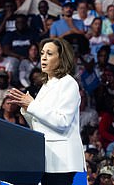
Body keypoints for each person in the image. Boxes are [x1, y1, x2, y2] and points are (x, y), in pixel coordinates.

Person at [9, 38, 85, 185]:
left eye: (49, 54)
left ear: (61, 58)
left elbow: (62, 121)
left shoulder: (68, 83)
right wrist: (26, 109)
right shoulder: (46, 85)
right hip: (46, 158)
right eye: (42, 53)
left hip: (61, 161)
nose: (43, 57)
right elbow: (39, 125)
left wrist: (32, 105)